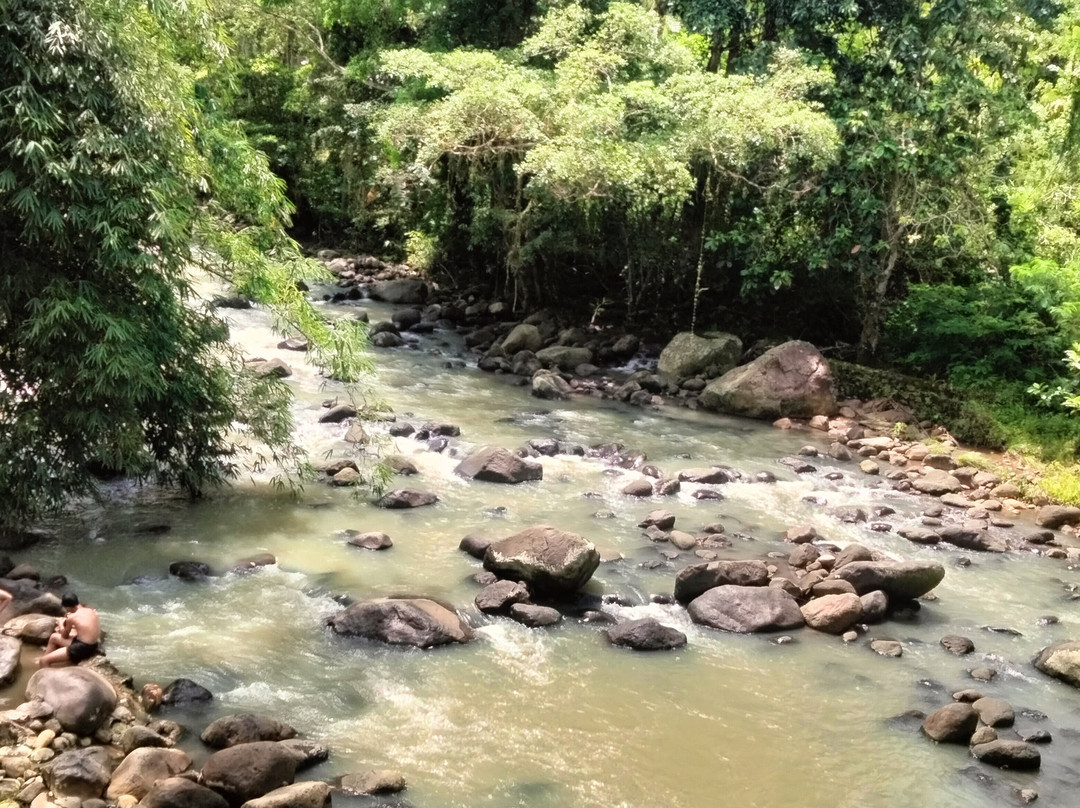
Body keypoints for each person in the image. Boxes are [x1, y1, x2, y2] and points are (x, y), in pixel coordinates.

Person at [38, 592, 100, 667]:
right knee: (54, 637)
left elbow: (64, 636)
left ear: (68, 607)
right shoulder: (90, 610)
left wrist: (60, 623)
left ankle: (45, 672)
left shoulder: (72, 617)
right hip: (94, 645)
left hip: (82, 648)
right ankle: (46, 656)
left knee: (43, 661)